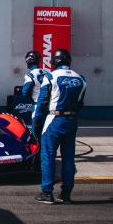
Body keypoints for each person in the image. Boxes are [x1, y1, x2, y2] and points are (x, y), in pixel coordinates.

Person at [32, 49, 87, 205]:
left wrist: (36, 124)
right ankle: (66, 194)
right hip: (72, 120)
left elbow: (42, 103)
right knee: (68, 157)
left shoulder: (50, 77)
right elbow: (80, 104)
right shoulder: (81, 79)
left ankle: (47, 192)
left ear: (54, 61)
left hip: (54, 119)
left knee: (48, 155)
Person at [21, 50, 47, 123]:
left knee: (36, 128)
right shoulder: (47, 72)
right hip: (49, 106)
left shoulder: (30, 74)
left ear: (28, 60)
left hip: (37, 105)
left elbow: (25, 92)